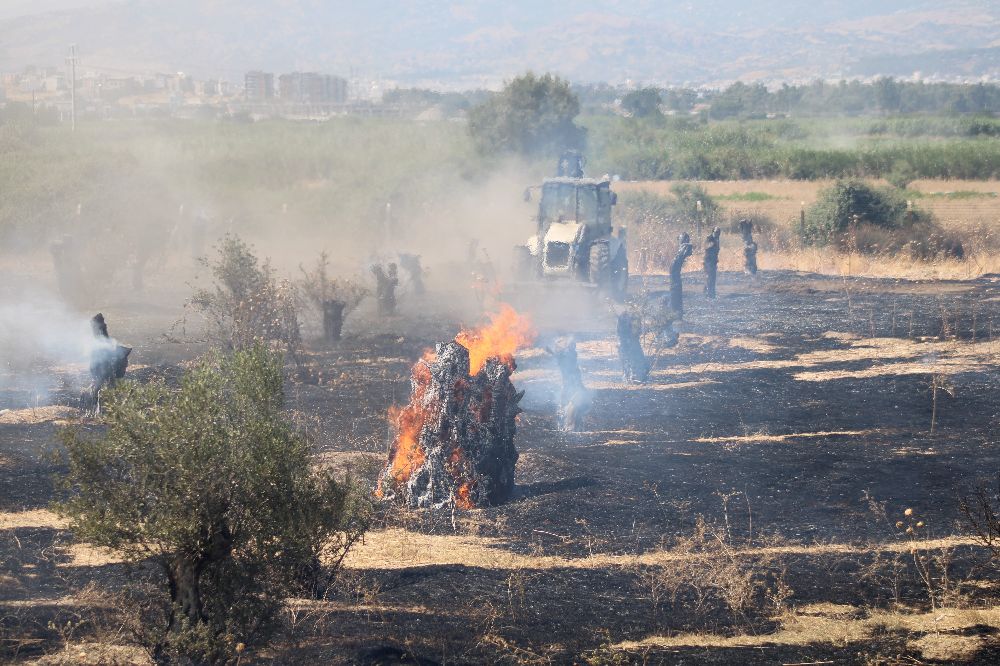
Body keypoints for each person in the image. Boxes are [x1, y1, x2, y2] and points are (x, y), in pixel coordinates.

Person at [669, 232, 694, 316]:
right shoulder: (685, 246)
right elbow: (689, 247)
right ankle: (676, 309)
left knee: (676, 287)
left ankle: (677, 308)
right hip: (675, 267)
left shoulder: (684, 246)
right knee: (676, 287)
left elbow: (688, 248)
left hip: (675, 267)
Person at [703, 226, 721, 298]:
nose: (718, 234)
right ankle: (708, 294)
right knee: (709, 277)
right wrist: (711, 244)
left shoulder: (717, 238)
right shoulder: (709, 238)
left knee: (712, 278)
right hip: (708, 261)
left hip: (713, 262)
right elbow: (705, 247)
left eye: (719, 232)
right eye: (716, 232)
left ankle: (711, 293)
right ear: (713, 231)